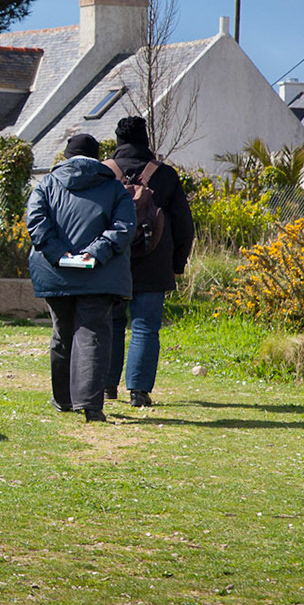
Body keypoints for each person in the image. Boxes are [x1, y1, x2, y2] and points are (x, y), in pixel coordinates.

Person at [26, 132, 135, 422]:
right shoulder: (115, 188)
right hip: (100, 274)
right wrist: (93, 253)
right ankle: (90, 405)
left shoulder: (46, 185)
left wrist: (60, 254)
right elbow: (124, 227)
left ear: (66, 157)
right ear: (98, 157)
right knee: (93, 333)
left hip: (55, 273)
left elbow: (36, 223)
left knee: (62, 332)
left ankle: (63, 399)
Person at [105, 114, 196, 408]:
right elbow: (184, 225)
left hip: (111, 260)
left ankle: (106, 385)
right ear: (145, 140)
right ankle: (139, 391)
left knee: (111, 323)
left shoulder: (105, 173)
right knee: (145, 326)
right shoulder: (165, 174)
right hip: (154, 262)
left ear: (118, 140)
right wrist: (177, 264)